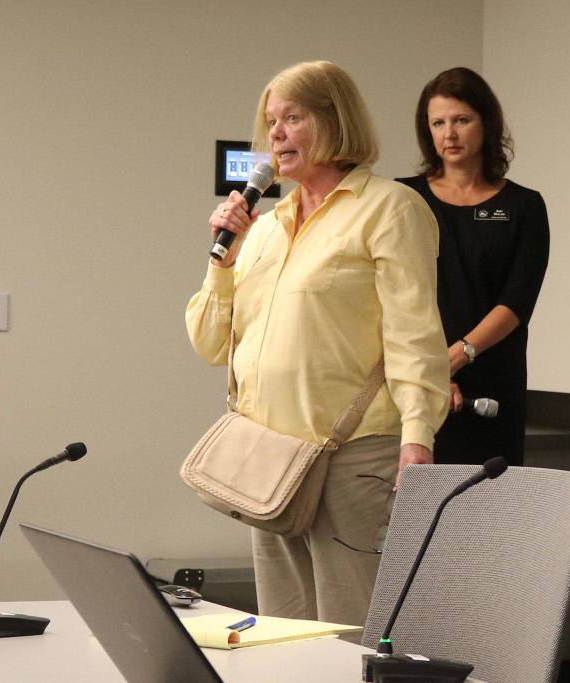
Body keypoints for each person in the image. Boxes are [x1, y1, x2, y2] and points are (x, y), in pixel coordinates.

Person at [185, 61, 448, 626]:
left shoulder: (389, 209)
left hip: (352, 456)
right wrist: (222, 264)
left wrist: (418, 438)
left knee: (345, 631)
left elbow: (415, 336)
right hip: (269, 459)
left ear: (335, 121)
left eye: (292, 118)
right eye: (271, 120)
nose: (274, 133)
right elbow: (210, 343)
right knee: (283, 632)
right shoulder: (269, 224)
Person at [397, 67, 549, 467]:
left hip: (493, 384)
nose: (450, 134)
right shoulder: (402, 200)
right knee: (413, 519)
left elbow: (517, 301)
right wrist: (432, 370)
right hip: (415, 384)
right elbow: (391, 296)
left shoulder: (524, 206)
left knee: (489, 519)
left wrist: (461, 353)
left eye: (462, 120)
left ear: (487, 123)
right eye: (438, 123)